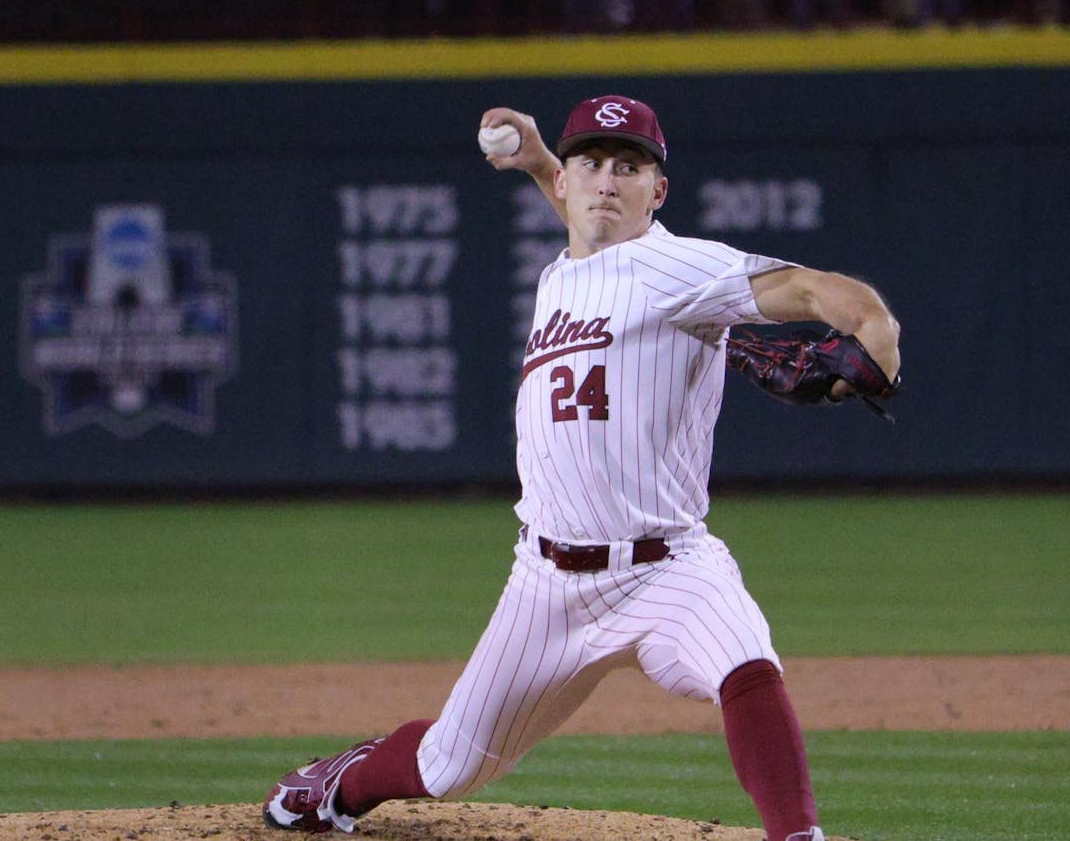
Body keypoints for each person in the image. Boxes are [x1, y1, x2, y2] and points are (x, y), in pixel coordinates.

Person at [262, 95, 902, 841]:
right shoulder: (561, 273)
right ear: (566, 184)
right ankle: (345, 784)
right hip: (546, 583)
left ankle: (799, 836)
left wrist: (873, 326)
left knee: (745, 660)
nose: (607, 181)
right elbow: (584, 225)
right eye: (590, 164)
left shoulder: (679, 266)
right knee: (448, 765)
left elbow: (812, 288)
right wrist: (536, 158)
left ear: (656, 192)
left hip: (668, 568)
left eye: (629, 168)